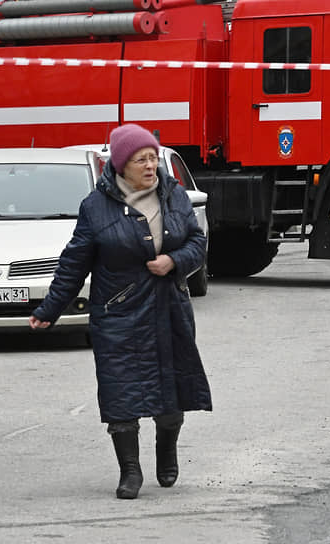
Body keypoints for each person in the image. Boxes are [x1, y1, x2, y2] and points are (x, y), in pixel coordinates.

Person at [29, 123, 212, 500]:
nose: (149, 165)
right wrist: (50, 309)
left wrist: (174, 261)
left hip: (170, 309)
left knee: (172, 386)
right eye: (140, 159)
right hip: (118, 315)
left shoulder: (173, 194)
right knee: (120, 393)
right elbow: (74, 262)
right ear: (120, 164)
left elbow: (197, 240)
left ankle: (167, 449)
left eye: (152, 158)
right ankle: (130, 471)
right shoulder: (95, 207)